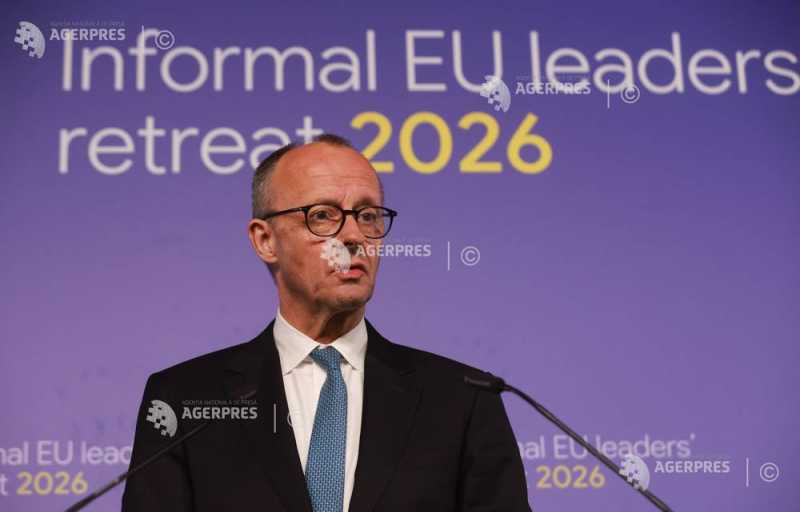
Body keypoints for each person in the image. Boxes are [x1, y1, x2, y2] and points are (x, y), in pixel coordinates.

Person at [122, 133, 531, 511]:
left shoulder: (463, 400)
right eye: (322, 215)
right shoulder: (184, 400)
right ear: (265, 240)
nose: (354, 236)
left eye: (368, 215)